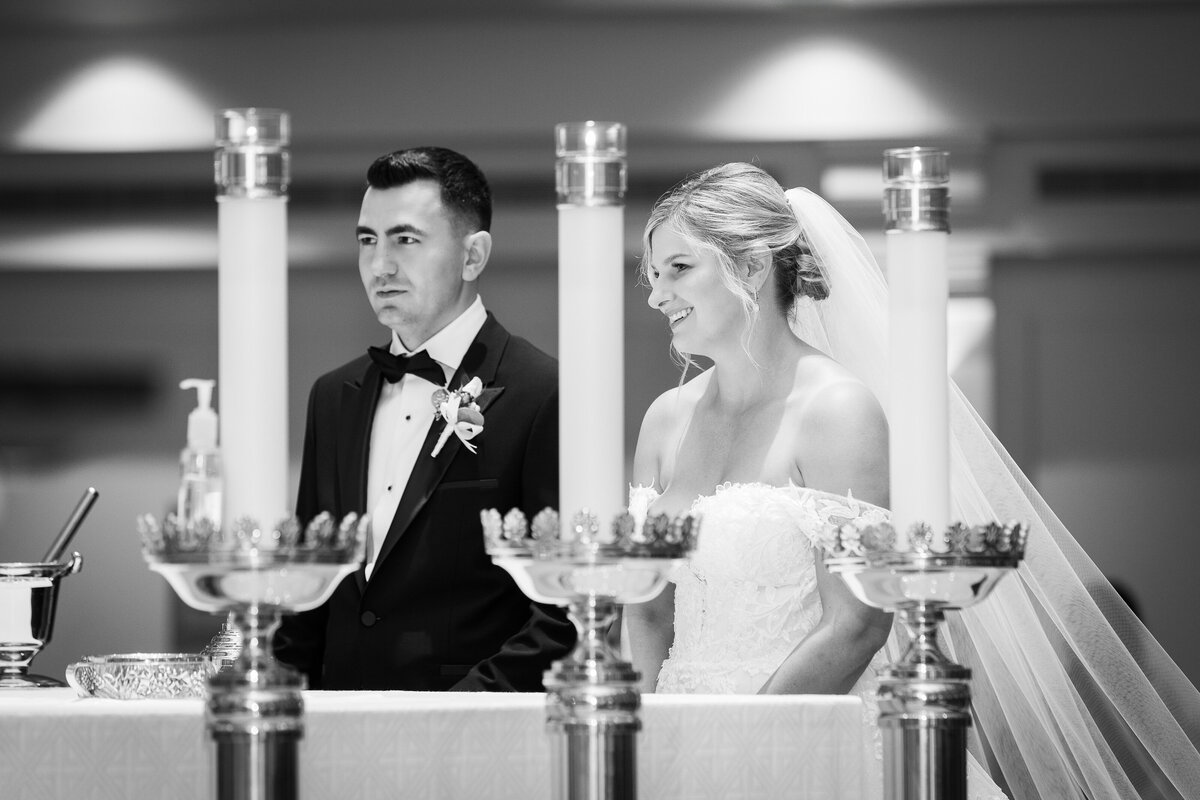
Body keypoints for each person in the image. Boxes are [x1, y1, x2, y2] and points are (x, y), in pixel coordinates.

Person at [625, 163, 1200, 800]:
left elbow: (856, 625)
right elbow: (648, 611)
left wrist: (743, 748)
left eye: (678, 269)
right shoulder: (665, 419)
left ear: (753, 266)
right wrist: (638, 739)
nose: (656, 295)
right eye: (653, 275)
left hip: (806, 735)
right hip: (674, 734)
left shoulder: (836, 410)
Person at [274, 147, 574, 691]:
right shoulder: (332, 397)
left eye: (405, 240)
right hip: (334, 734)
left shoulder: (543, 393)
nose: (380, 265)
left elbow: (562, 615)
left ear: (472, 256)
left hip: (474, 742)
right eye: (368, 240)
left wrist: (450, 721)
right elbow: (308, 594)